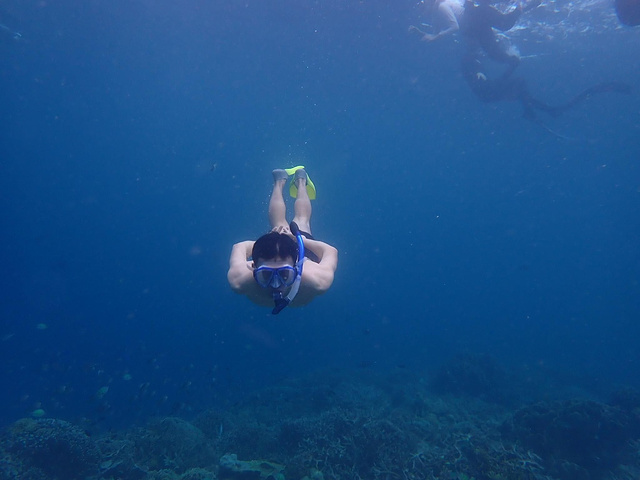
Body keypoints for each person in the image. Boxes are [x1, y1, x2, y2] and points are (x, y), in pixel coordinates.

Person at [227, 166, 338, 314]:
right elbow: (330, 251)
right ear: (253, 267)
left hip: (300, 246)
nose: (276, 284)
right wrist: (270, 242)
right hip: (290, 247)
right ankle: (292, 181)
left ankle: (297, 180)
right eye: (265, 275)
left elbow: (239, 247)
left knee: (298, 220)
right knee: (299, 221)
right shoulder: (239, 280)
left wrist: (300, 242)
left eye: (285, 274)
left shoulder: (316, 280)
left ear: (297, 267)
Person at [461, 52, 633, 133]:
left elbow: (487, 85)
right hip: (487, 93)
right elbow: (485, 84)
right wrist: (512, 66)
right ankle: (534, 111)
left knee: (522, 90)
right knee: (520, 83)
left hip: (488, 94)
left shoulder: (473, 65)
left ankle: (545, 110)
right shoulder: (472, 65)